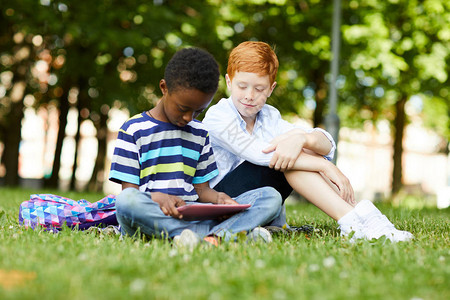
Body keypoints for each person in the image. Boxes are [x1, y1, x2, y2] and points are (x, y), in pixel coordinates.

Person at [203, 41, 413, 242]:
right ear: (229, 82)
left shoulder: (269, 116)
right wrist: (325, 166)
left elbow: (327, 144)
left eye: (259, 89)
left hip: (255, 195)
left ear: (271, 89)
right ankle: (352, 219)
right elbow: (259, 155)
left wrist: (302, 138)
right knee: (286, 157)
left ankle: (360, 216)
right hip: (217, 198)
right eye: (242, 86)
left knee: (299, 149)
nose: (249, 96)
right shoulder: (218, 116)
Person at [109, 47, 282, 247]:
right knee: (126, 202)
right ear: (164, 88)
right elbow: (129, 192)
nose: (188, 118)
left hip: (193, 215)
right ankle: (227, 234)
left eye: (198, 111)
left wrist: (218, 199)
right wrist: (157, 198)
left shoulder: (199, 133)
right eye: (183, 109)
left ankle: (211, 238)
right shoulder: (133, 129)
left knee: (270, 196)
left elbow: (201, 190)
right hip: (153, 215)